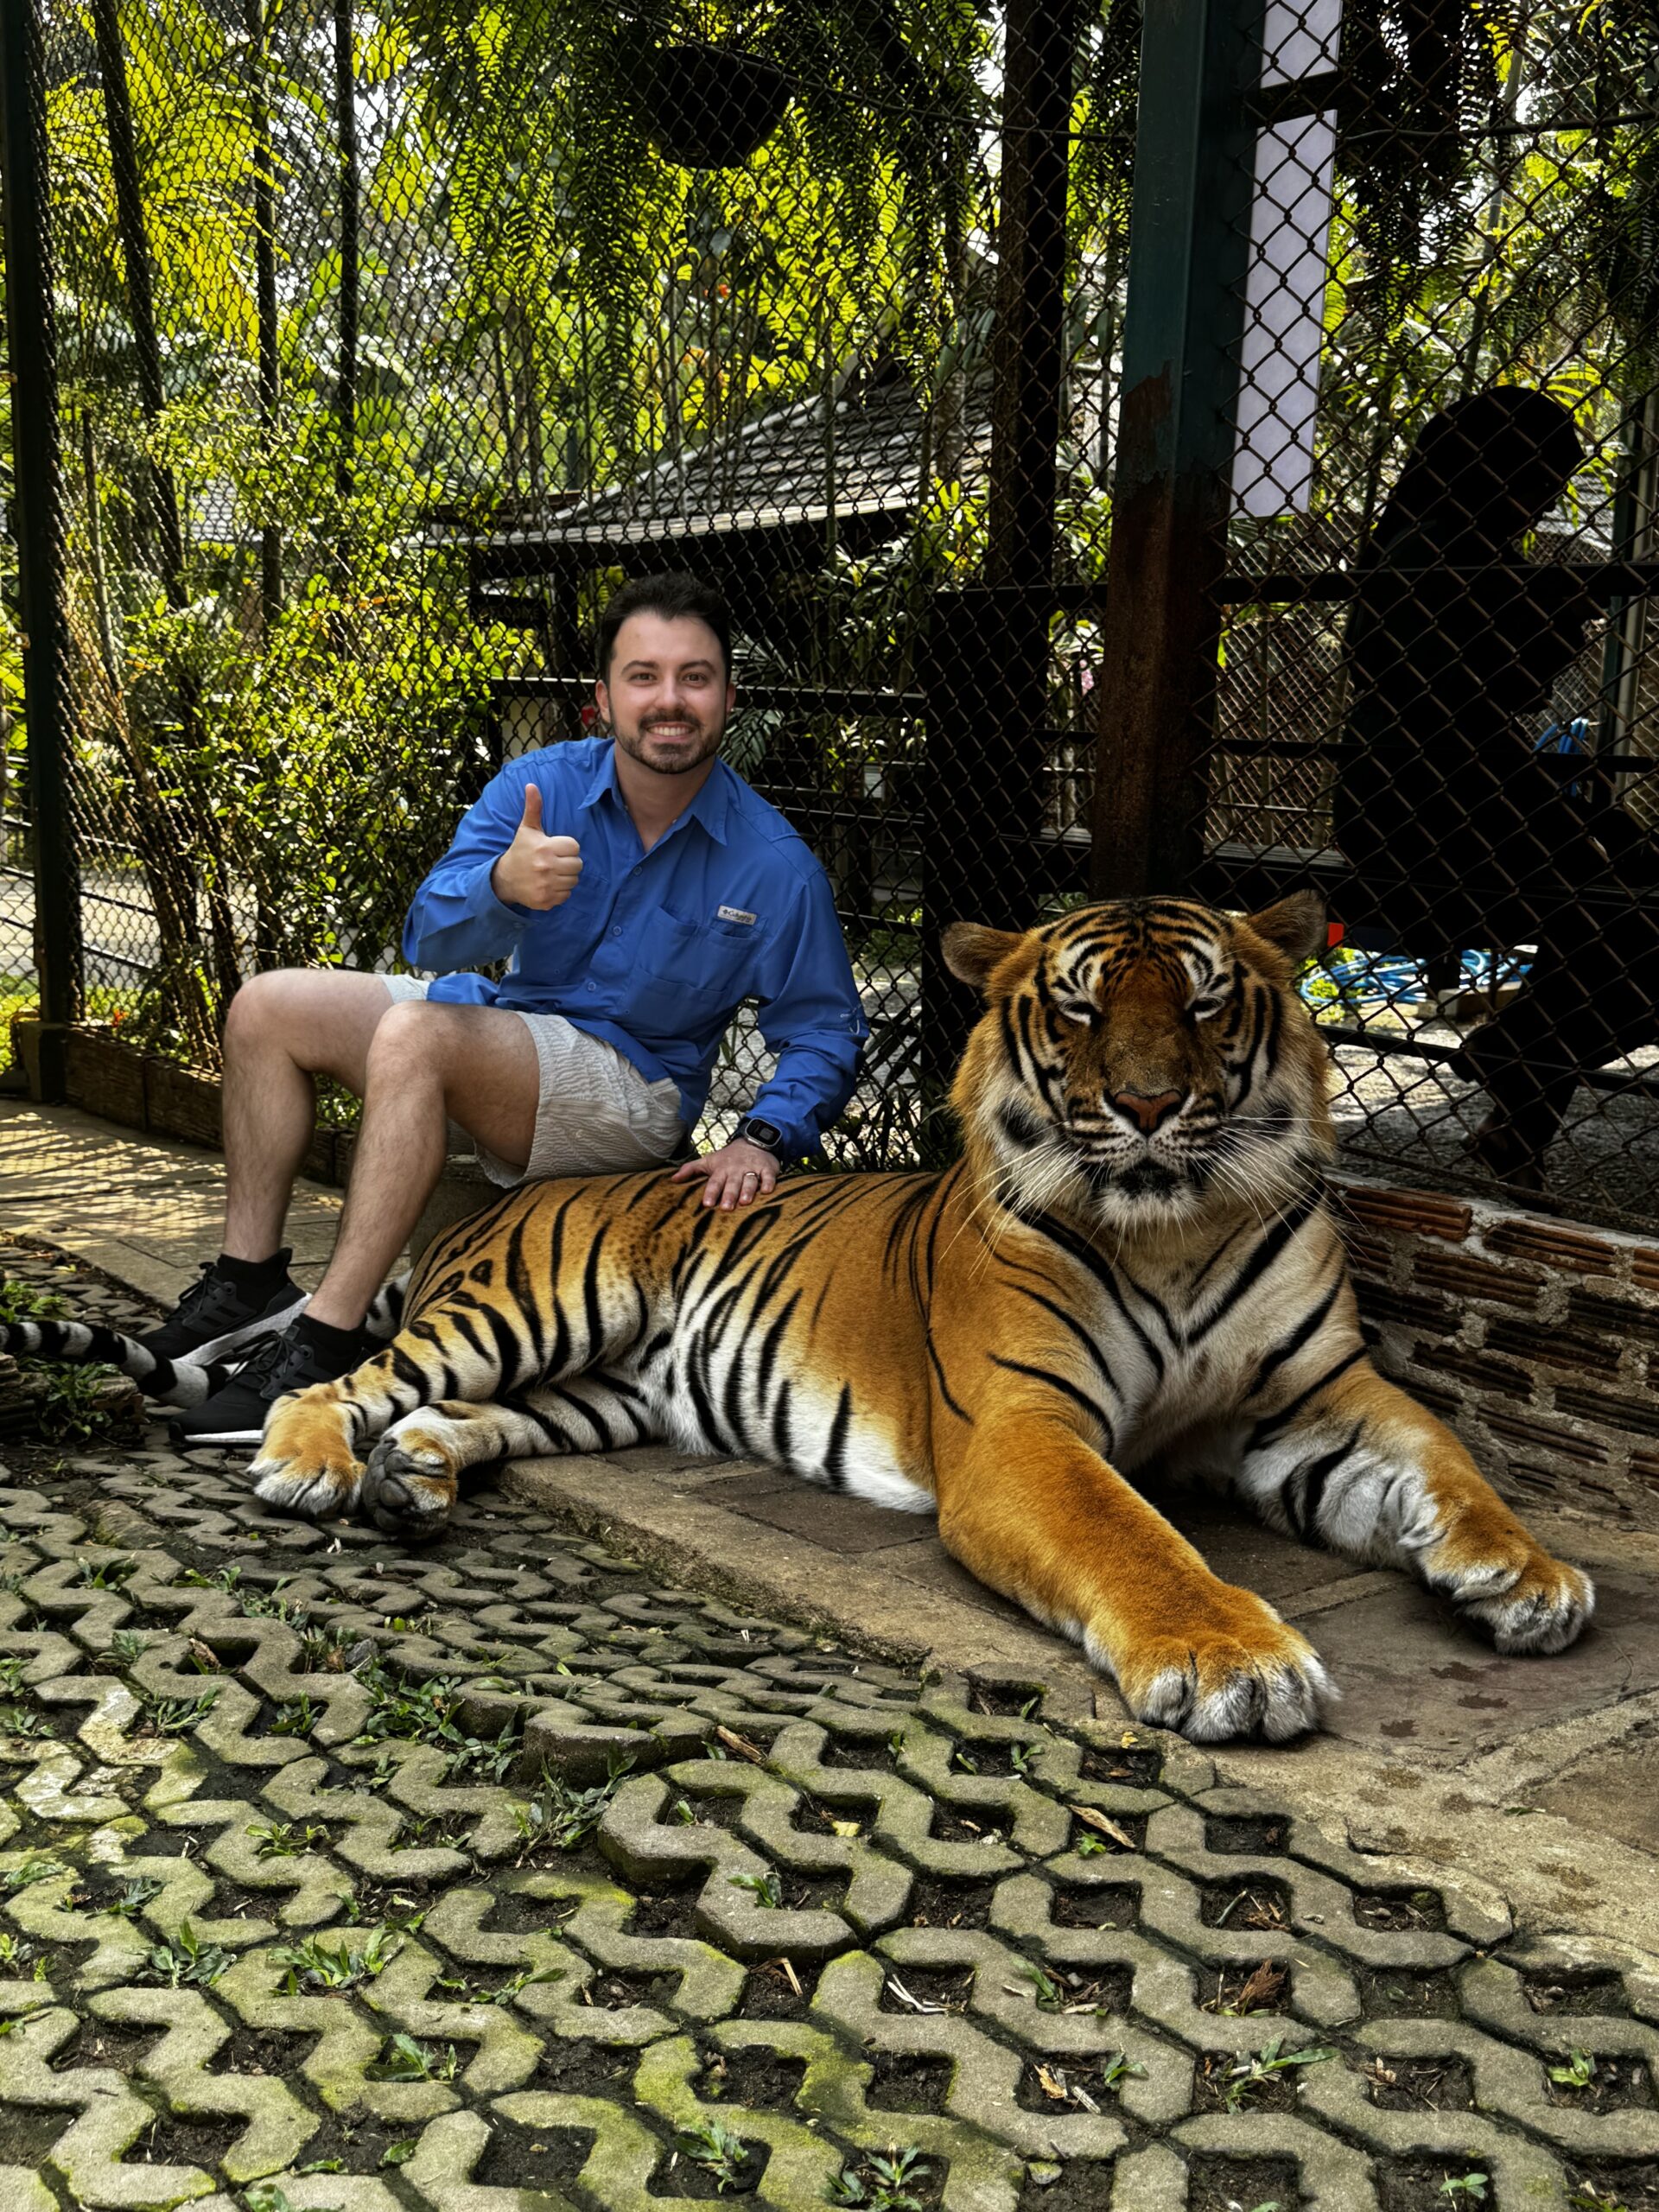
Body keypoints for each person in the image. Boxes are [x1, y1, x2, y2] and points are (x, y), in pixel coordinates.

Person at [147, 570, 868, 1445]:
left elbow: (825, 1025)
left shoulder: (773, 862)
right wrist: (500, 885)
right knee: (267, 1006)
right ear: (602, 699)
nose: (669, 699)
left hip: (629, 1089)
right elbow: (428, 938)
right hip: (501, 1024)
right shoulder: (541, 788)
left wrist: (764, 1136)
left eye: (695, 676)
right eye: (643, 676)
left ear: (727, 696)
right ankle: (249, 1277)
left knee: (419, 1037)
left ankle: (327, 1340)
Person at [1336, 387, 1659, 1187]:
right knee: (1623, 917)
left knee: (1622, 891)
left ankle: (1526, 1081)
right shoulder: (1436, 547)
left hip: (1450, 782)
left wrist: (1545, 609)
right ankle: (1530, 1058)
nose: (1547, 497)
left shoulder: (1429, 542)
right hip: (1445, 791)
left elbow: (1491, 688)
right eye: (1546, 477)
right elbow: (1488, 686)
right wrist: (1552, 615)